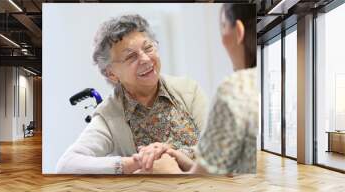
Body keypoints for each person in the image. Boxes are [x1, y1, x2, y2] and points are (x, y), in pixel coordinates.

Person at [56, 14, 208, 174]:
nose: (145, 59)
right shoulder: (108, 116)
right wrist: (135, 163)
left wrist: (172, 154)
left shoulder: (188, 89)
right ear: (111, 74)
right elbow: (66, 165)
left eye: (148, 47)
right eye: (130, 56)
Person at [134, 3, 259, 175]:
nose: (145, 60)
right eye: (131, 56)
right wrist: (177, 155)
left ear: (238, 31)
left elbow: (207, 180)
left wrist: (169, 170)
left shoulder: (234, 88)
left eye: (223, 26)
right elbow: (217, 167)